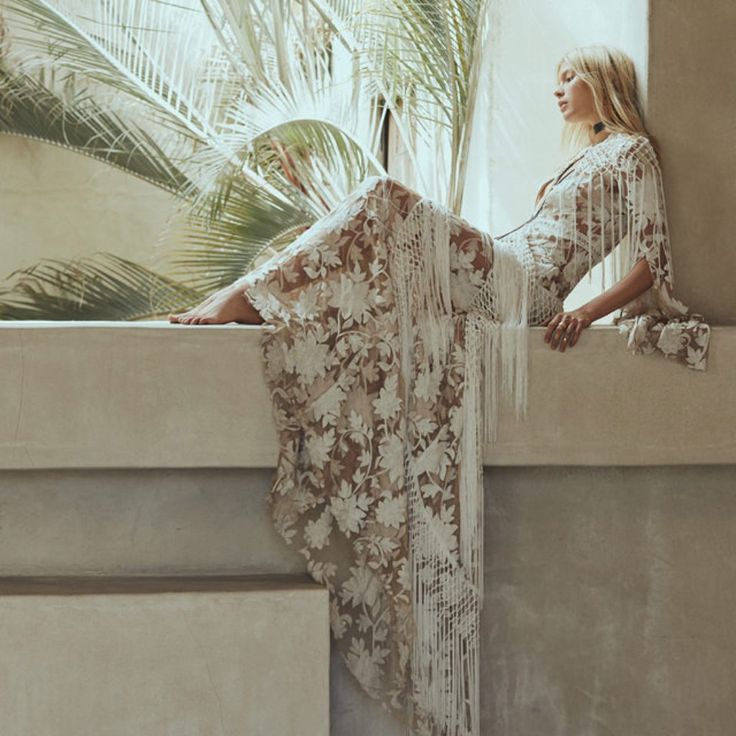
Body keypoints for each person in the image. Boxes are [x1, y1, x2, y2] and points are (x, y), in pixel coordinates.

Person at [168, 45, 710, 736]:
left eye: (569, 76)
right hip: (508, 269)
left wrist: (585, 311)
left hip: (529, 289)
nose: (559, 90)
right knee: (368, 237)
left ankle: (248, 297)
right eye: (556, 77)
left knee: (381, 200)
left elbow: (650, 261)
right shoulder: (583, 157)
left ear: (605, 80)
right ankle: (264, 295)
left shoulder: (633, 152)